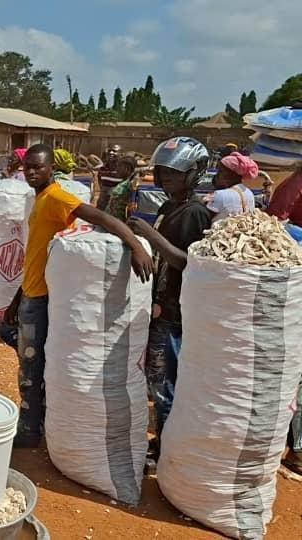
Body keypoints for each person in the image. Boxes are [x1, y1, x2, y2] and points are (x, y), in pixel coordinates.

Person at [4, 144, 153, 448]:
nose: (31, 172)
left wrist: (135, 245)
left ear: (51, 170)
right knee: (31, 358)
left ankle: (30, 429)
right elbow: (37, 253)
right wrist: (18, 296)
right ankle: (39, 419)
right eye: (27, 167)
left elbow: (99, 217)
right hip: (32, 292)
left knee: (31, 364)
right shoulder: (40, 198)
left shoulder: (57, 196)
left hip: (43, 298)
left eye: (38, 167)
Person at [126, 137, 213, 458]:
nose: (167, 180)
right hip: (160, 302)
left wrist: (150, 235)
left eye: (175, 174)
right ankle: (163, 441)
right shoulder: (168, 206)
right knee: (157, 378)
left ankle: (167, 449)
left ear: (195, 173)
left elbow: (187, 262)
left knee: (166, 383)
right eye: (163, 174)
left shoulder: (195, 214)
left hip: (176, 308)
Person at [206, 151, 258, 222]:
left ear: (231, 175)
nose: (217, 175)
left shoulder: (220, 195)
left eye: (220, 171)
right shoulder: (249, 193)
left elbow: (204, 219)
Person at [102, 155, 143, 221]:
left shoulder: (130, 183)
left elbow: (132, 205)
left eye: (119, 166)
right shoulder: (123, 182)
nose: (116, 169)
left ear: (127, 168)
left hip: (117, 222)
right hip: (109, 219)